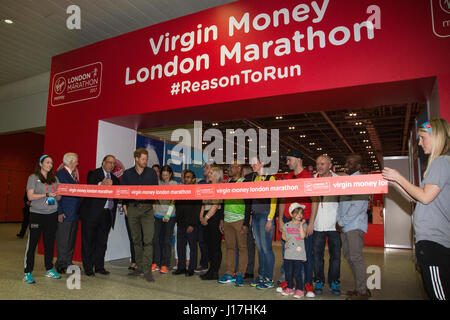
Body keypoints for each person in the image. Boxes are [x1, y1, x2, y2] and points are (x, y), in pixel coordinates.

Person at [382, 119, 450, 300]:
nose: (420, 143)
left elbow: (425, 197)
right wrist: (396, 183)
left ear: (435, 137)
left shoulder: (441, 162)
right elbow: (417, 197)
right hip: (434, 242)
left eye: (422, 138)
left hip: (434, 243)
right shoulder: (440, 163)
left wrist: (399, 177)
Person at [277, 150, 316, 298]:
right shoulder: (287, 177)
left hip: (303, 223)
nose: (287, 163)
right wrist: (280, 219)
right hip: (287, 221)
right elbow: (282, 199)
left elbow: (315, 200)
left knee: (305, 254)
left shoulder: (308, 177)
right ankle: (289, 282)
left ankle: (307, 284)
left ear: (298, 160)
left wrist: (311, 222)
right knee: (287, 254)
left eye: (289, 160)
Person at [336, 154, 370, 300]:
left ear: (358, 166)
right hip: (344, 226)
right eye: (346, 162)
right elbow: (341, 204)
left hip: (354, 226)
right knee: (349, 256)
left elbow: (357, 207)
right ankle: (361, 288)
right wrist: (339, 221)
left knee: (356, 258)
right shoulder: (346, 181)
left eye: (350, 163)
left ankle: (362, 292)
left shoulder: (361, 182)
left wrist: (342, 222)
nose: (346, 165)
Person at [122, 148, 159, 282]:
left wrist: (153, 206)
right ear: (136, 159)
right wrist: (125, 207)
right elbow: (123, 192)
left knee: (148, 240)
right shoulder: (127, 174)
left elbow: (155, 190)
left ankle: (148, 270)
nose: (145, 161)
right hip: (132, 209)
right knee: (136, 240)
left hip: (147, 209)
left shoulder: (151, 173)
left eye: (146, 159)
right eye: (143, 159)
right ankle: (139, 267)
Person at [23, 155, 61, 284]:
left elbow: (58, 198)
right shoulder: (33, 178)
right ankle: (27, 272)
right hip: (37, 215)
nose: (50, 165)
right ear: (40, 164)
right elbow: (30, 196)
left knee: (49, 243)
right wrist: (46, 194)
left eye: (51, 163)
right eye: (47, 162)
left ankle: (49, 269)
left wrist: (59, 194)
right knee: (32, 244)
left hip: (51, 215)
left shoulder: (55, 179)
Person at [80, 155, 120, 277]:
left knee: (102, 242)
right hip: (91, 214)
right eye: (109, 162)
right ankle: (88, 268)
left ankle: (99, 266)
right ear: (103, 163)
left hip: (107, 214)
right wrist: (100, 184)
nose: (111, 165)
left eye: (113, 163)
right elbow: (89, 187)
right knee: (88, 241)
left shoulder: (115, 179)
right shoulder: (93, 173)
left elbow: (118, 195)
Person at [311, 154, 342, 295]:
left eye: (322, 164)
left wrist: (341, 221)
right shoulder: (312, 180)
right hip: (317, 225)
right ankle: (319, 280)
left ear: (330, 165)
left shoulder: (338, 180)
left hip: (335, 225)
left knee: (335, 256)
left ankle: (334, 282)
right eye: (318, 164)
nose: (319, 166)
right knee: (317, 256)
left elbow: (344, 202)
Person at [218, 161, 250, 287]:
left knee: (242, 248)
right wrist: (221, 219)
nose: (229, 169)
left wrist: (246, 223)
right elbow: (223, 201)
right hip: (227, 220)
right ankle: (229, 273)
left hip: (240, 219)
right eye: (229, 167)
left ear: (239, 168)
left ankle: (241, 274)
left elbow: (248, 203)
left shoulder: (244, 183)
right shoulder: (226, 183)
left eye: (232, 167)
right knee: (230, 248)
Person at [248, 157, 277, 290]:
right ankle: (261, 276)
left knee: (267, 249)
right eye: (251, 162)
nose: (252, 164)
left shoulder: (270, 178)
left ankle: (269, 278)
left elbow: (274, 200)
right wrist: (250, 215)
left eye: (255, 162)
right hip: (255, 216)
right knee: (260, 249)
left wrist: (270, 219)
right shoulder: (255, 178)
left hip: (265, 216)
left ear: (262, 163)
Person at [55, 152, 81, 274]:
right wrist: (59, 212)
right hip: (64, 214)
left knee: (70, 241)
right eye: (76, 161)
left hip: (74, 214)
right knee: (63, 241)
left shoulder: (73, 175)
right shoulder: (59, 175)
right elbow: (54, 195)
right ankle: (61, 264)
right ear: (71, 162)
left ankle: (68, 262)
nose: (77, 163)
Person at [173, 170, 202, 276]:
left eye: (189, 177)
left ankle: (191, 268)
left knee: (192, 246)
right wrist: (178, 221)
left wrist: (192, 224)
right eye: (185, 177)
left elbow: (197, 210)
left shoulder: (196, 191)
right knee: (180, 246)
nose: (186, 179)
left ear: (193, 179)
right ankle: (181, 267)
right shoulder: (181, 190)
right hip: (180, 223)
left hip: (191, 224)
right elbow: (177, 206)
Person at [200, 165, 224, 280]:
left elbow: (215, 205)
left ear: (216, 175)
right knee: (208, 245)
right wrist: (201, 216)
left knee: (215, 247)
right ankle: (210, 270)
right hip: (206, 217)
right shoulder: (208, 187)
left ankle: (214, 271)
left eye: (211, 173)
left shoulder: (219, 187)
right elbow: (203, 204)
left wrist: (206, 217)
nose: (208, 175)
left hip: (214, 218)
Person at [152, 165, 177, 274]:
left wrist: (167, 214)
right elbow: (154, 198)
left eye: (167, 175)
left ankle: (165, 264)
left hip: (169, 216)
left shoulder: (174, 184)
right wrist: (154, 212)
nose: (165, 177)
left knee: (167, 240)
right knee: (155, 239)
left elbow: (173, 200)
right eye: (163, 175)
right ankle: (156, 262)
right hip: (157, 215)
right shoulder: (158, 183)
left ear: (170, 174)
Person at [279, 203, 308, 299]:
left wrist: (300, 225)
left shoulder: (304, 225)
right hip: (288, 254)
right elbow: (283, 235)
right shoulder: (286, 225)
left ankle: (300, 290)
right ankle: (290, 288)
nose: (300, 215)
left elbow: (303, 236)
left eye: (301, 213)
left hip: (298, 255)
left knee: (297, 272)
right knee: (288, 272)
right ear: (291, 214)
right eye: (297, 213)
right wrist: (285, 239)